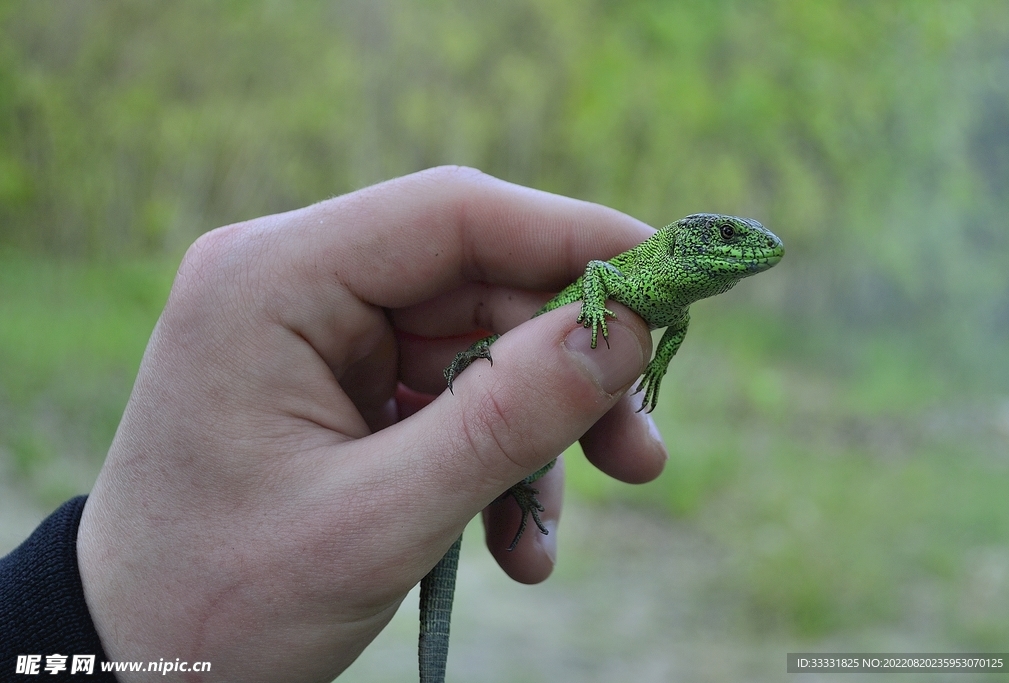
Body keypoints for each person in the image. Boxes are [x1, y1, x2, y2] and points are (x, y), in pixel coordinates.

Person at [1, 167, 667, 681]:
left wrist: (73, 620)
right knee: (498, 450)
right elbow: (599, 272)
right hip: (479, 395)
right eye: (727, 234)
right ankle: (511, 481)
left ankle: (512, 483)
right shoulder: (631, 268)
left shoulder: (674, 303)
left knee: (512, 468)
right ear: (690, 240)